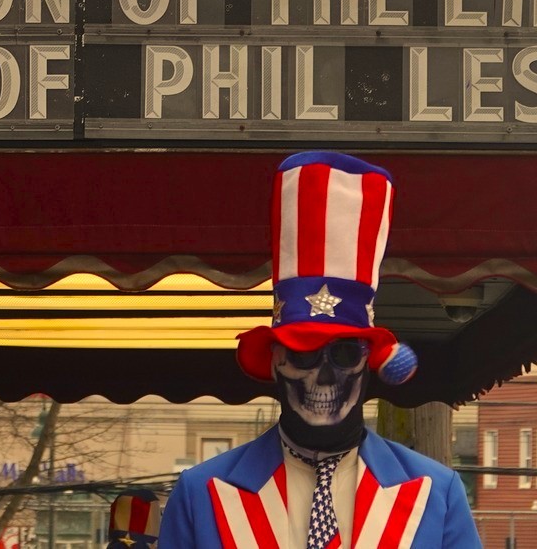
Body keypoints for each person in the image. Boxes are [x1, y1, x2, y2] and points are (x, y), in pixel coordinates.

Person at [158, 152, 480, 549]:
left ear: (370, 363)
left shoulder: (437, 493)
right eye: (303, 353)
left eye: (344, 353)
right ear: (275, 361)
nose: (324, 376)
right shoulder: (200, 494)